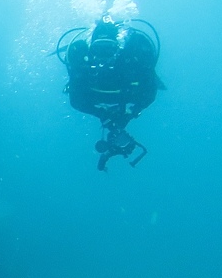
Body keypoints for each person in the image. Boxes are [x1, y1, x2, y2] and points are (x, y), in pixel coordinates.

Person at [57, 15, 163, 170]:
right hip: (111, 94)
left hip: (124, 92)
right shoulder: (83, 67)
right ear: (90, 50)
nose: (103, 57)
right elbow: (76, 100)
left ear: (118, 49)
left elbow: (149, 93)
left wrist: (130, 114)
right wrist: (103, 115)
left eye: (108, 49)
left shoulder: (131, 64)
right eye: (98, 50)